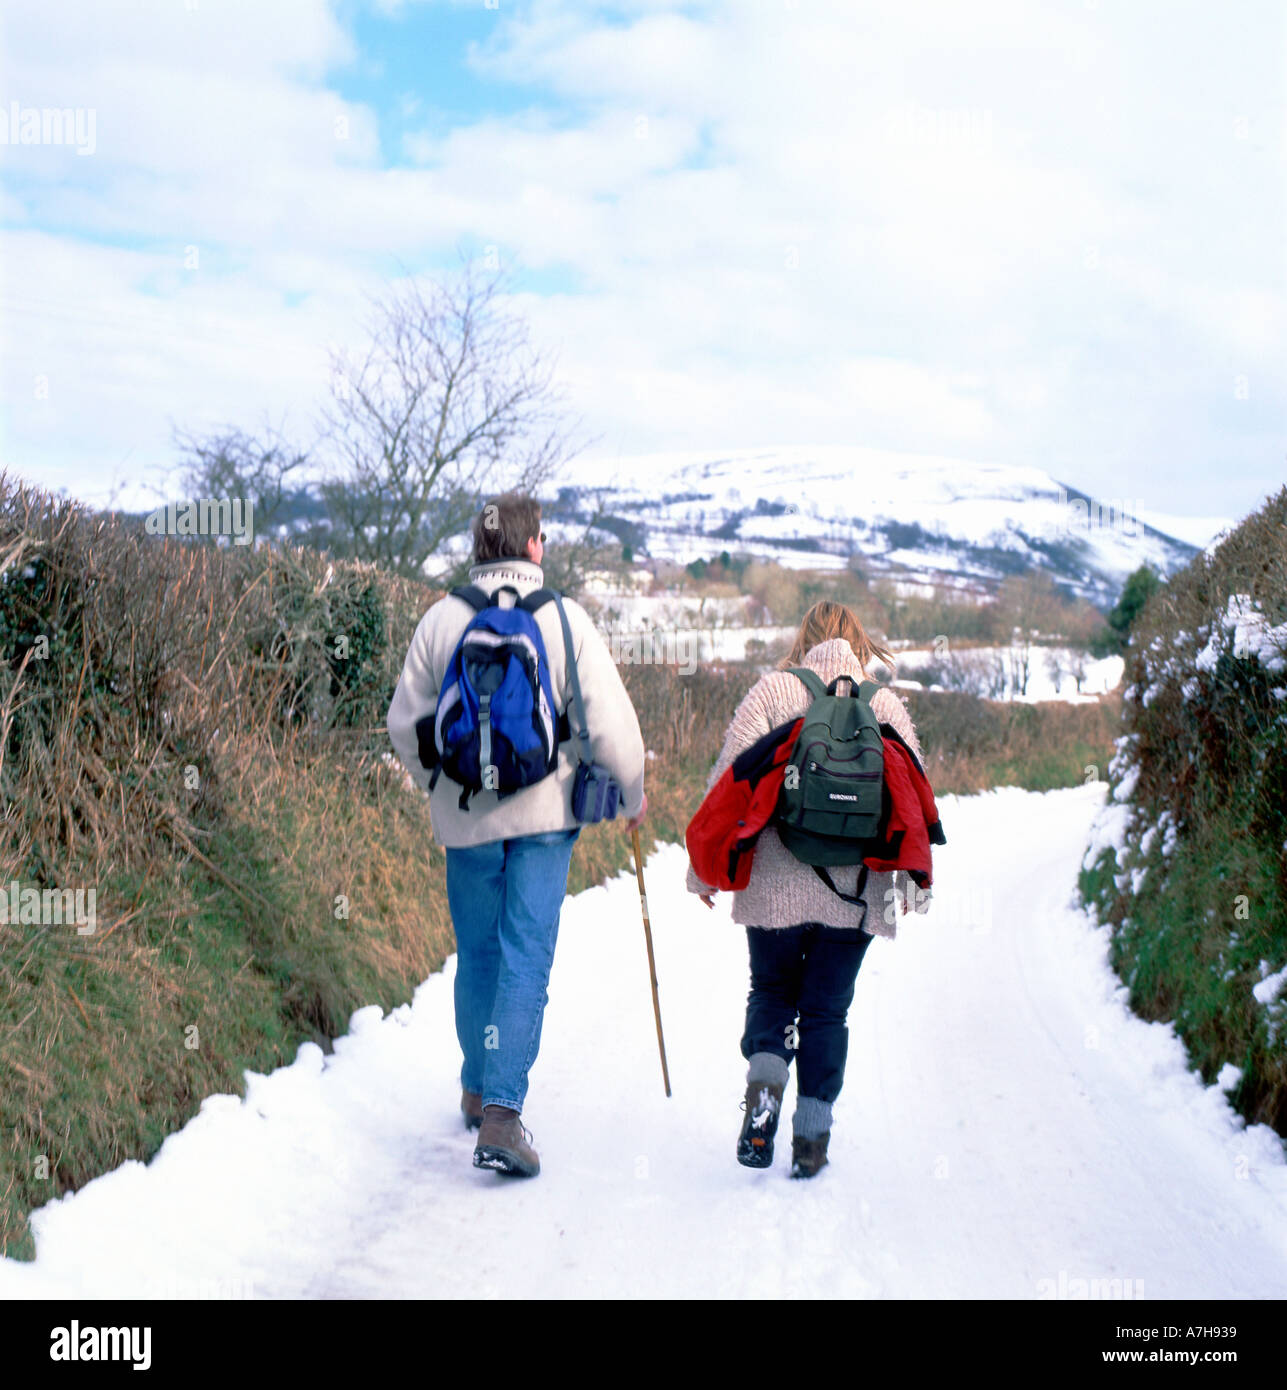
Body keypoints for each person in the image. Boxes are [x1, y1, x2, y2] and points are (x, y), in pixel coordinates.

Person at [387, 492, 647, 1178]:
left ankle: (476, 1088)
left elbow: (403, 721)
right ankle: (503, 1113)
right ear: (535, 547)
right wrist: (633, 795)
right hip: (544, 816)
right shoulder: (564, 619)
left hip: (465, 814)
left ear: (478, 547)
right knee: (525, 951)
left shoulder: (442, 619)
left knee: (477, 953)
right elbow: (613, 729)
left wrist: (435, 782)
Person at [686, 600, 931, 1178]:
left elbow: (729, 778)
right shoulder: (886, 704)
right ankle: (811, 1140)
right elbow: (911, 798)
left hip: (774, 884)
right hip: (856, 891)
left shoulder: (773, 692)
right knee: (825, 1011)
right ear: (860, 644)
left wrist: (705, 869)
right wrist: (914, 881)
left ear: (804, 641)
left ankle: (765, 1093)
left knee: (771, 991)